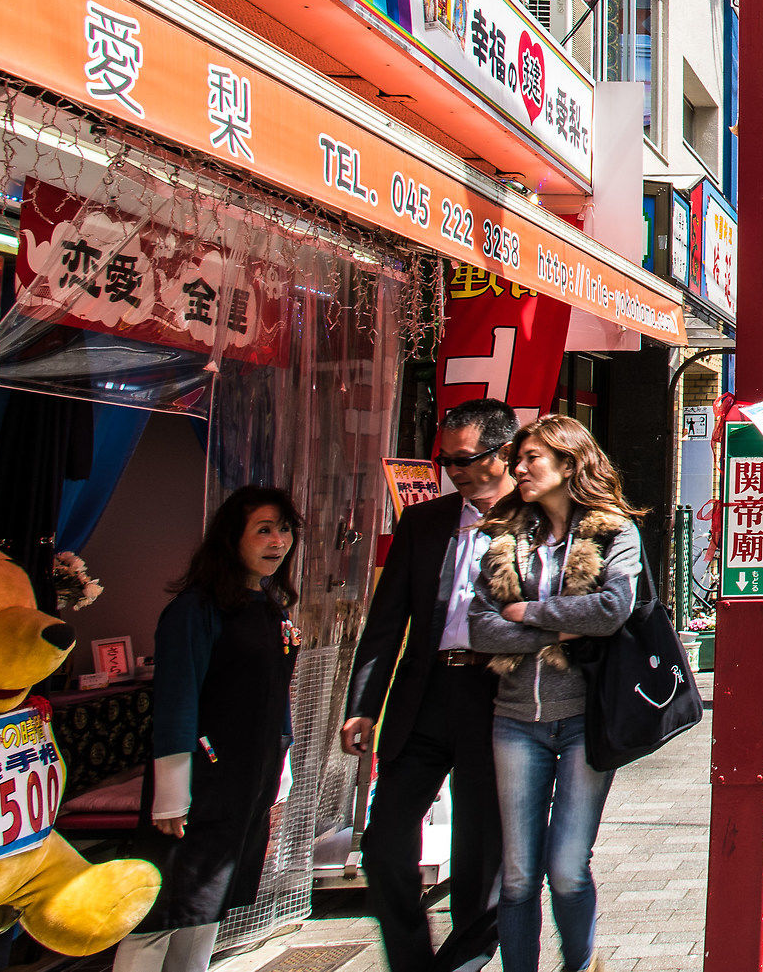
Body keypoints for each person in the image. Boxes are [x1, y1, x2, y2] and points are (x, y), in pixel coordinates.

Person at [341, 399, 517, 972]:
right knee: (384, 840)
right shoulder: (424, 523)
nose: (454, 471)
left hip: (499, 701)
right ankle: (413, 959)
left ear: (506, 452)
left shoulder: (543, 522)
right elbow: (386, 623)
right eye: (446, 461)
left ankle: (464, 959)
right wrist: (363, 705)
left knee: (481, 853)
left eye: (466, 459)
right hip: (424, 698)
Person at [469, 415, 643, 972]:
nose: (517, 468)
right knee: (519, 873)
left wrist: (525, 613)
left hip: (584, 720)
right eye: (517, 458)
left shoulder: (614, 532)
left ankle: (579, 964)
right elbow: (480, 627)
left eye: (532, 458)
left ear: (569, 464)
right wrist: (563, 625)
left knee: (567, 867)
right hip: (515, 718)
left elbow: (612, 610)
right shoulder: (504, 535)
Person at [115, 486, 302, 972]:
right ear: (230, 537)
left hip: (249, 781)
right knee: (160, 910)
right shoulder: (194, 610)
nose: (278, 541)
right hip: (200, 780)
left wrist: (278, 782)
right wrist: (172, 795)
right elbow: (176, 702)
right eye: (263, 529)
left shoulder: (271, 605)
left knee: (208, 906)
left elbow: (277, 698)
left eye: (284, 529)